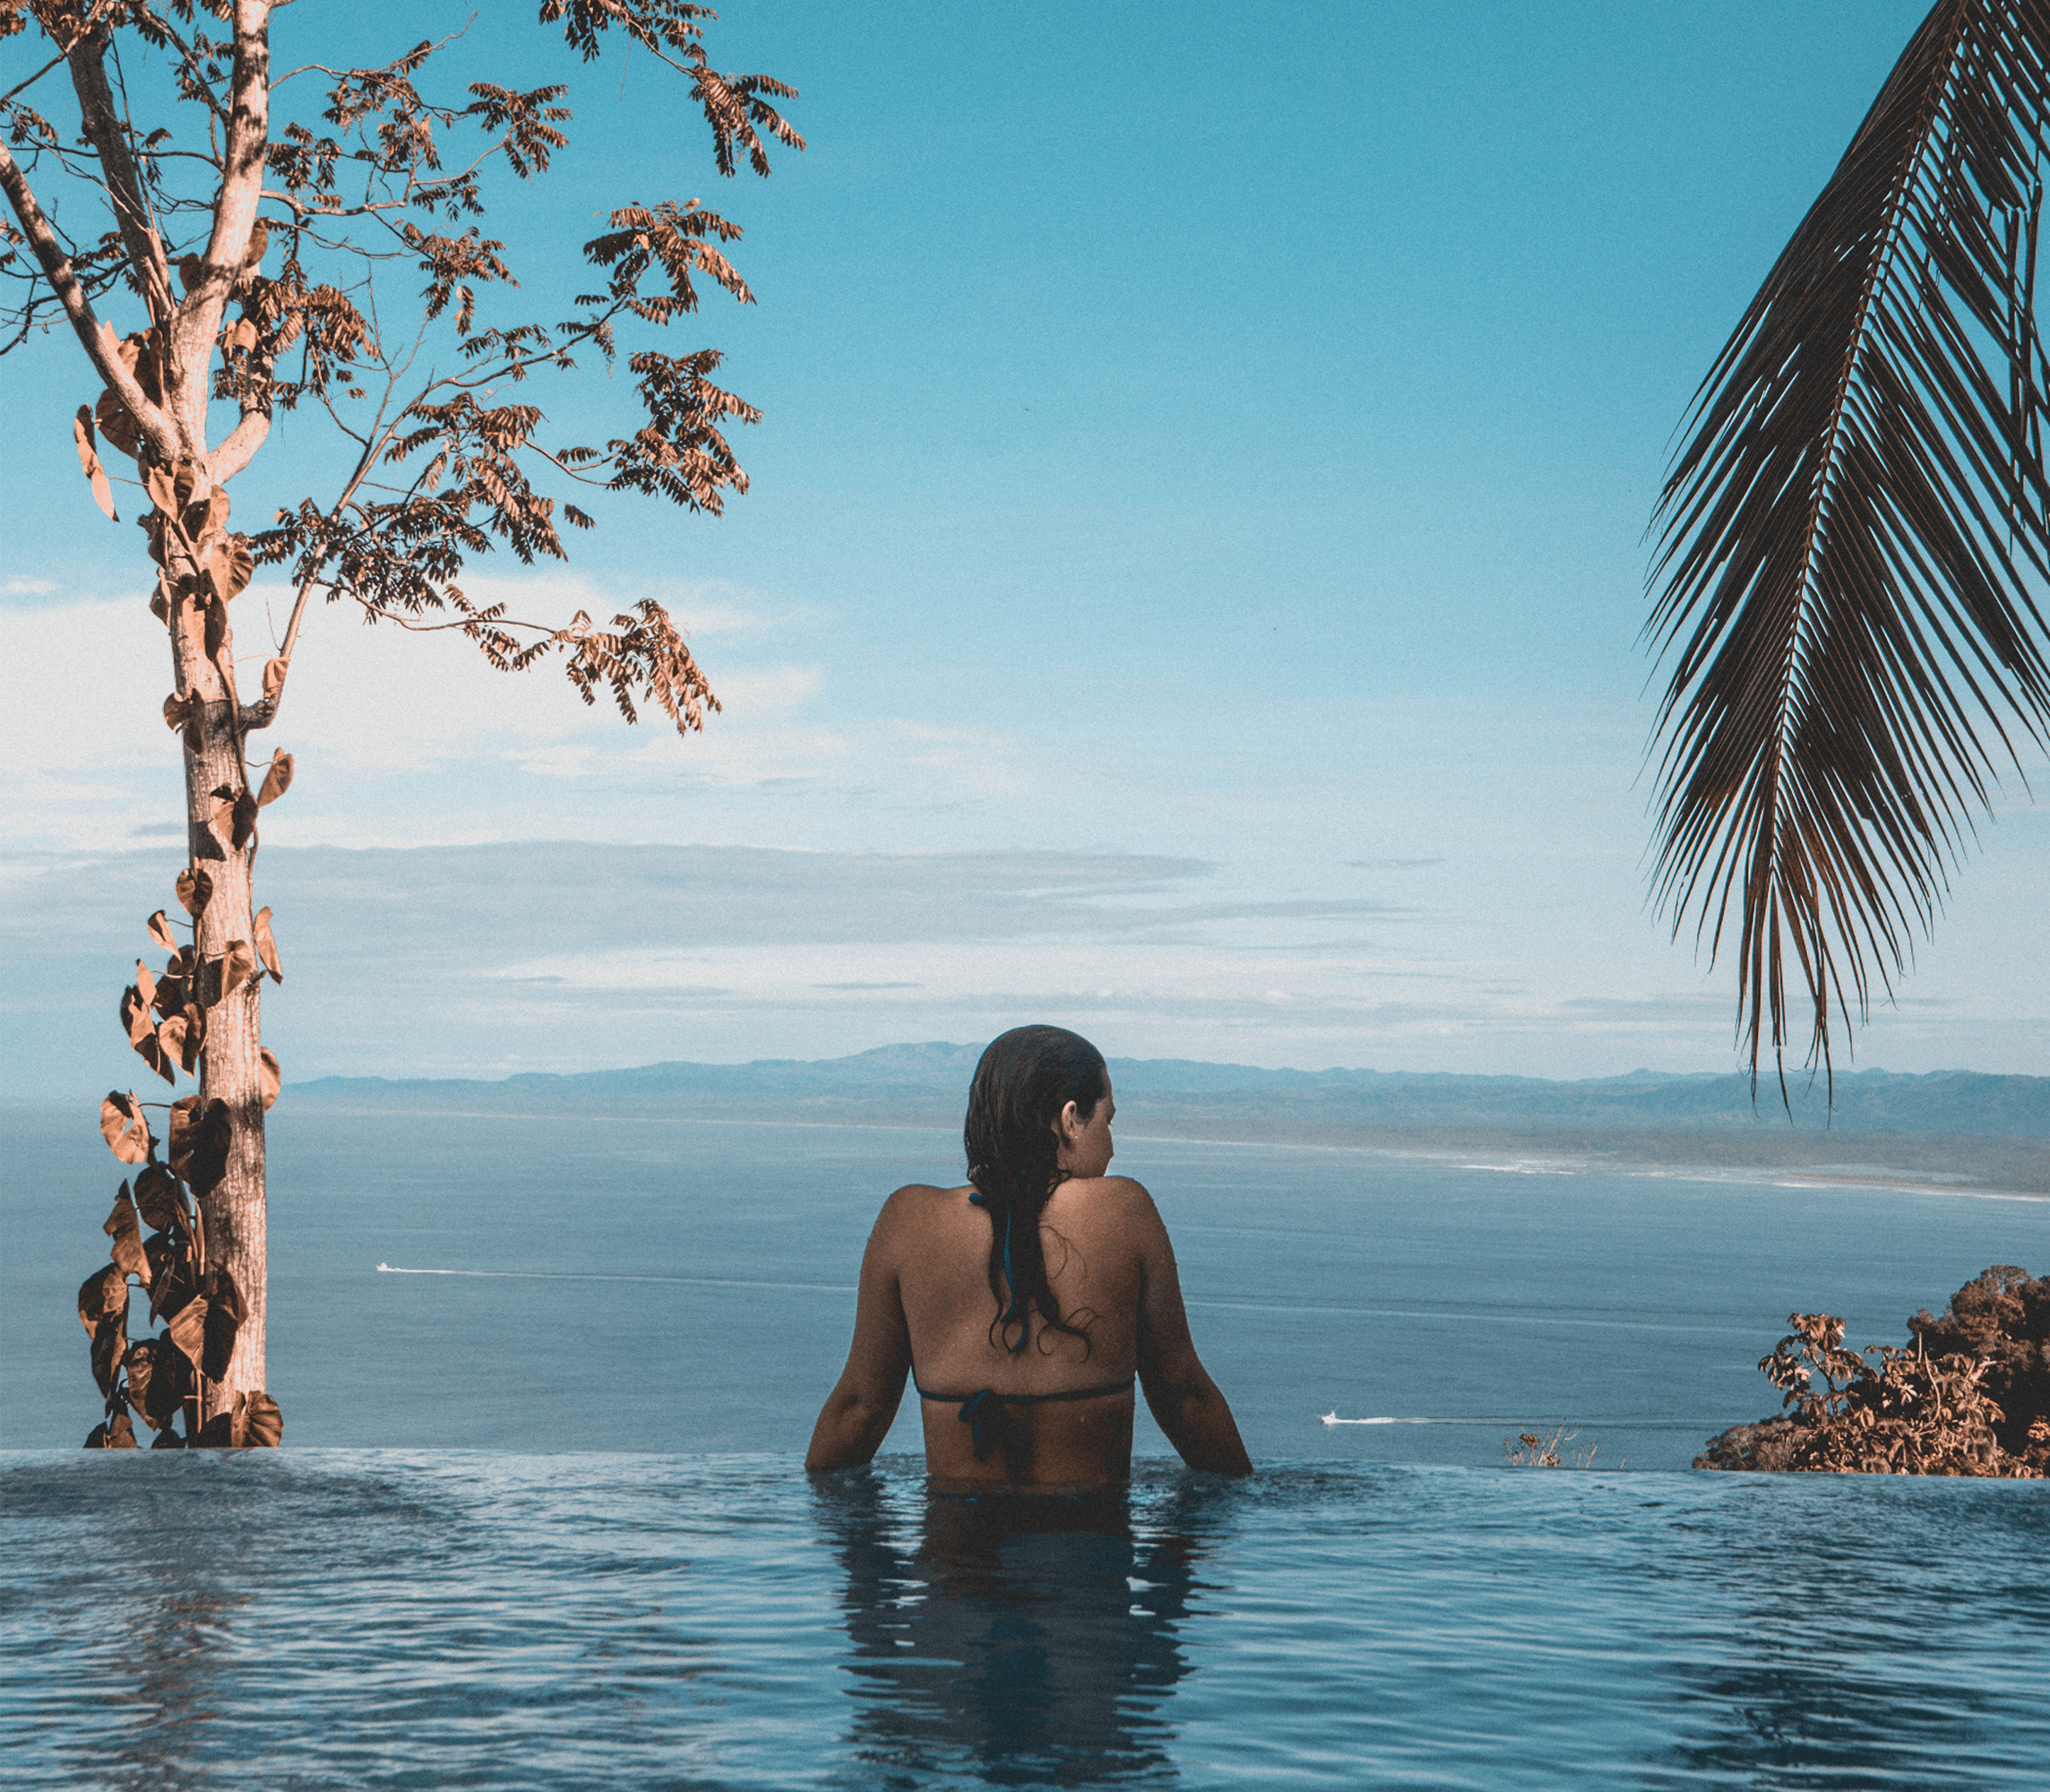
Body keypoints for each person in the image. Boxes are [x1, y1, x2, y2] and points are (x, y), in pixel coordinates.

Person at [805, 1025, 1252, 1488]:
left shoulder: (908, 1221)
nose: (1113, 1147)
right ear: (1070, 1118)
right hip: (1089, 1549)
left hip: (956, 1546)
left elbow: (859, 1410)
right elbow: (1184, 1398)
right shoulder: (1124, 1210)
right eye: (1108, 1123)